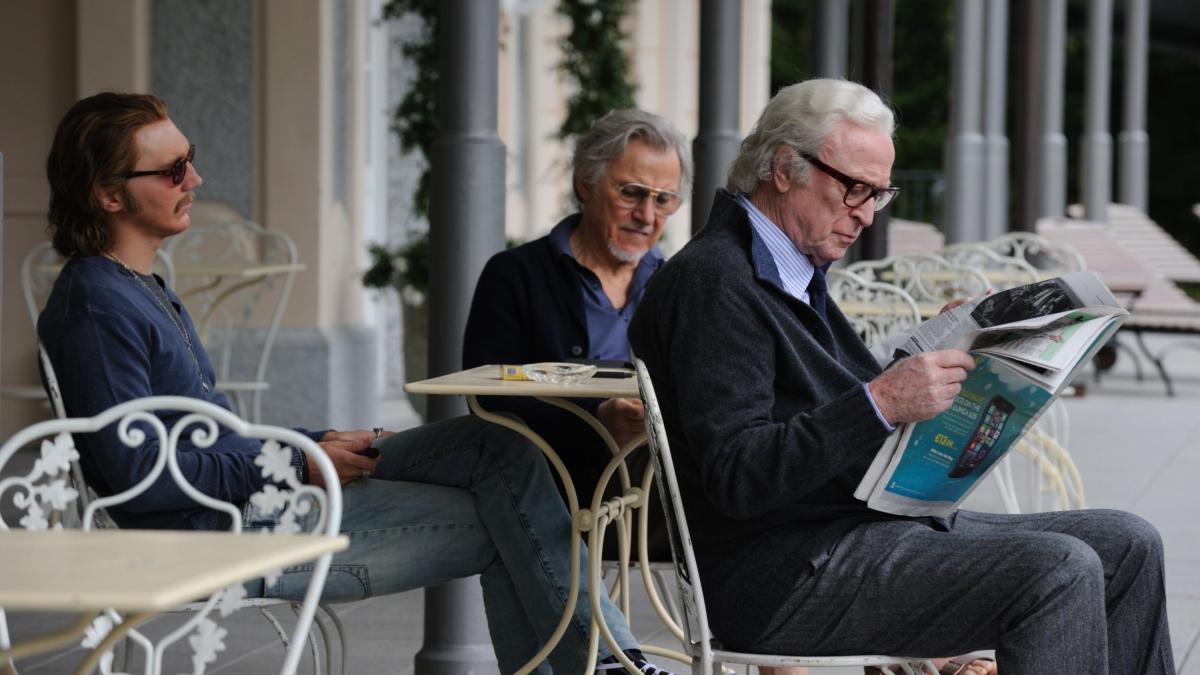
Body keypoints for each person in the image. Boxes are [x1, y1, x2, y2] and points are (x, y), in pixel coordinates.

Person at [38, 91, 676, 675]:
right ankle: (614, 665)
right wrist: (299, 462)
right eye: (172, 170)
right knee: (513, 517)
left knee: (498, 449)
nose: (195, 179)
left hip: (255, 496)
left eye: (191, 159)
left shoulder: (137, 287)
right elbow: (138, 473)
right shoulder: (96, 304)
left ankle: (612, 664)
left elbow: (211, 435)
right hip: (223, 534)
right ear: (109, 195)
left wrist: (316, 441)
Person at [627, 79, 1174, 675]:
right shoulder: (715, 281)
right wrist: (882, 401)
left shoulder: (789, 269)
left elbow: (823, 403)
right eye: (854, 188)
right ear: (784, 168)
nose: (866, 214)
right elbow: (739, 475)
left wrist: (947, 345)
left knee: (1128, 543)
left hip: (857, 533)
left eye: (878, 194)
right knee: (1058, 571)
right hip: (779, 575)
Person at [463, 109, 691, 561]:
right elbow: (487, 396)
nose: (647, 215)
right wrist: (597, 417)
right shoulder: (515, 276)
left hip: (658, 490)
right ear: (586, 183)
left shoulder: (678, 286)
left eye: (664, 200)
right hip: (553, 485)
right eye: (632, 192)